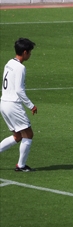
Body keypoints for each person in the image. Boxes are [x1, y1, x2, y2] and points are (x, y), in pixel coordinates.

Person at [0, 38, 37, 172]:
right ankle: (21, 166)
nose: (30, 55)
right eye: (30, 52)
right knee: (28, 134)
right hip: (13, 105)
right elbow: (19, 90)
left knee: (18, 136)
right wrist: (31, 105)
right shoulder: (20, 68)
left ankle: (21, 165)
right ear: (25, 52)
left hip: (3, 103)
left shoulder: (9, 63)